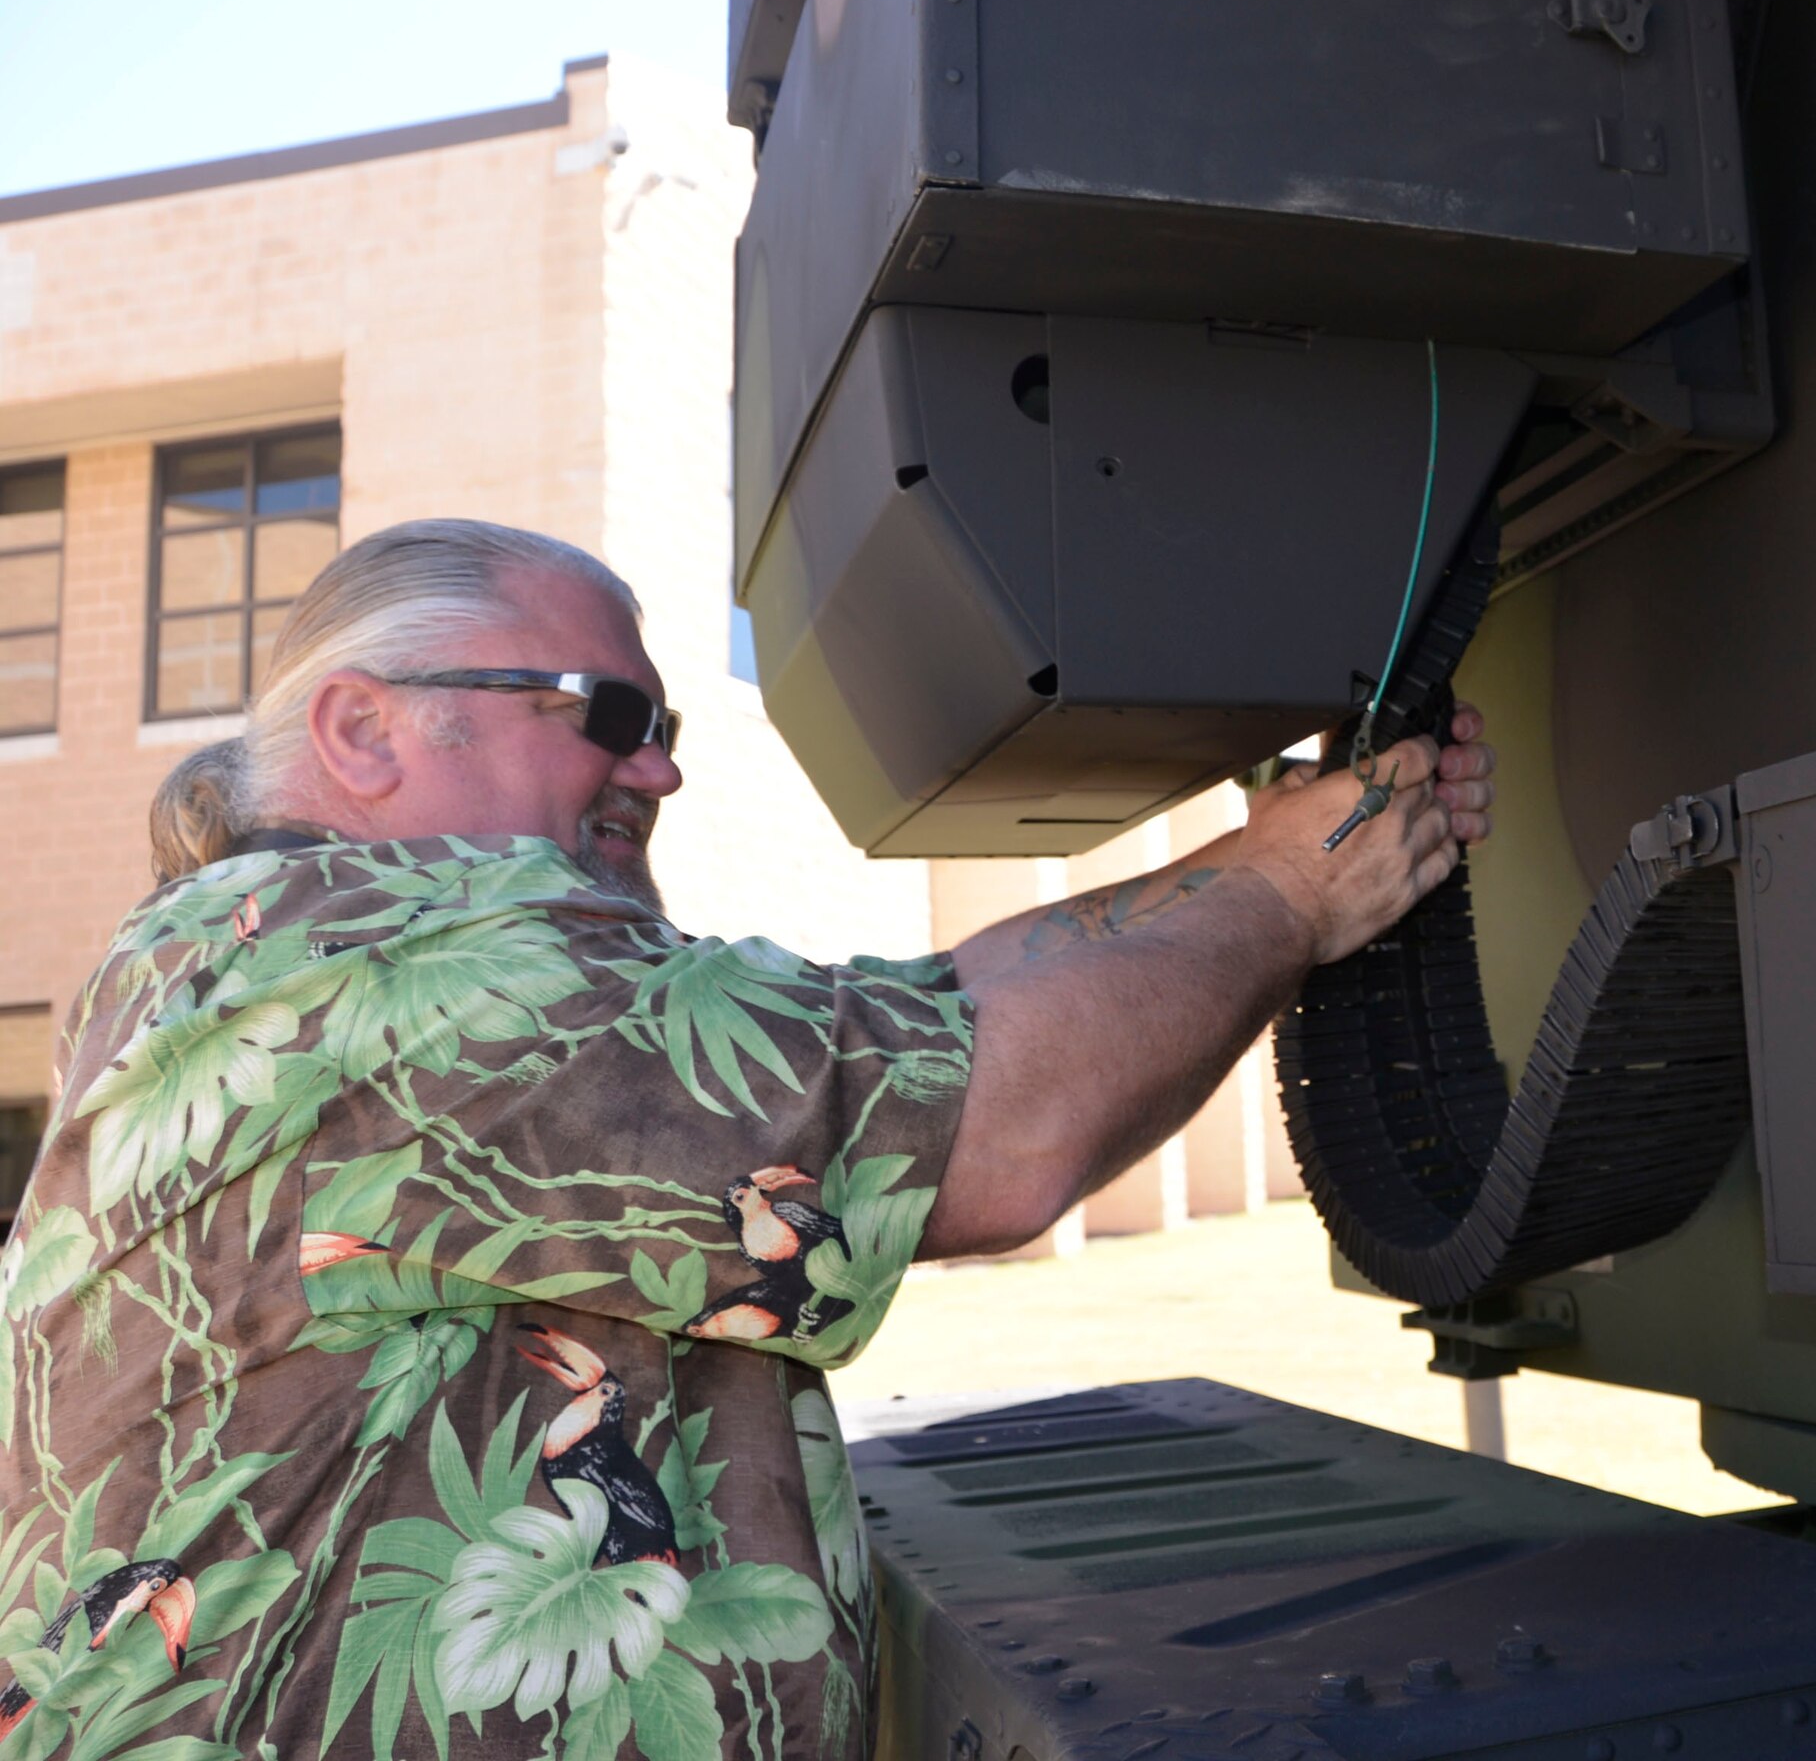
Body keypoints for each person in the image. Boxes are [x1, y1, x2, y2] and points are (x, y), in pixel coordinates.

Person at [0, 518, 1493, 1760]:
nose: (659, 771)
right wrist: (1296, 896)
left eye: (669, 729)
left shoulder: (288, 955)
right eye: (613, 717)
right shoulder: (374, 969)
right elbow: (991, 1135)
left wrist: (1278, 858)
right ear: (366, 727)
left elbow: (930, 1023)